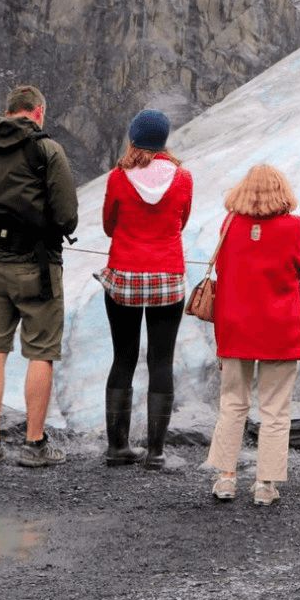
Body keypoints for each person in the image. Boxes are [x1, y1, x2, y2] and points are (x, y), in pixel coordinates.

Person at [0, 85, 79, 469]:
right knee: (41, 351)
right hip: (37, 262)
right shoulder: (46, 150)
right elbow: (67, 216)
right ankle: (34, 444)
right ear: (37, 112)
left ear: (8, 111)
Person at [204, 164, 300, 507]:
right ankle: (265, 484)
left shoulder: (229, 224)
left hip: (236, 326)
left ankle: (225, 478)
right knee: (276, 409)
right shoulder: (296, 227)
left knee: (233, 403)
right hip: (280, 327)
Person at [99, 109, 193, 469]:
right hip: (167, 278)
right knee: (161, 361)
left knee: (123, 357)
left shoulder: (118, 177)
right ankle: (156, 452)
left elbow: (109, 224)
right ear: (164, 140)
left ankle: (117, 448)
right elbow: (181, 221)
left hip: (125, 275)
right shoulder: (182, 178)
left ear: (133, 138)